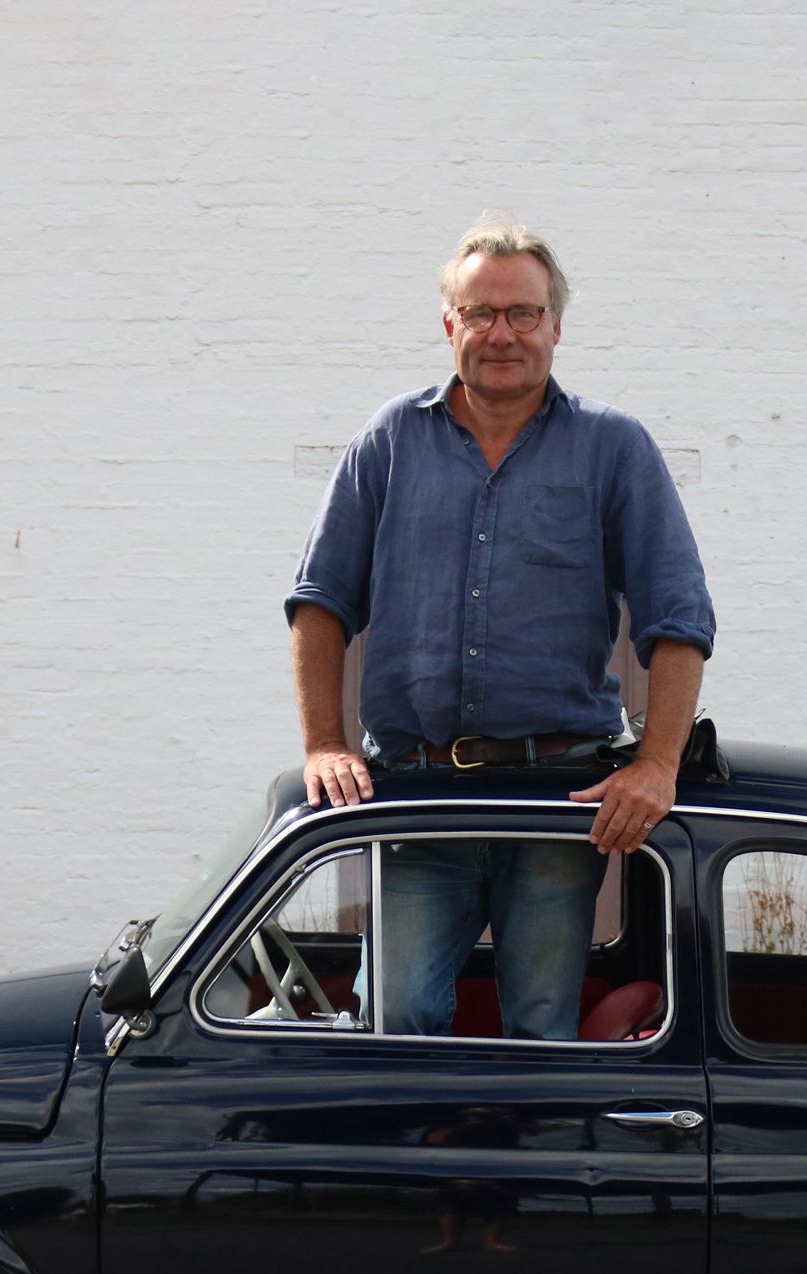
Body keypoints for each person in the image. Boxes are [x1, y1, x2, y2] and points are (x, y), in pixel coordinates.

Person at [284, 214, 715, 1041]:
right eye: (480, 313)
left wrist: (659, 763)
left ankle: (529, 1169)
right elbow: (318, 601)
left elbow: (678, 615)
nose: (502, 333)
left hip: (556, 802)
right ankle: (412, 1170)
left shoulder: (613, 449)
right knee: (395, 1020)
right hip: (416, 796)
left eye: (523, 314)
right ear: (449, 324)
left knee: (541, 1027)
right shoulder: (389, 442)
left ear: (557, 326)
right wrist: (324, 745)